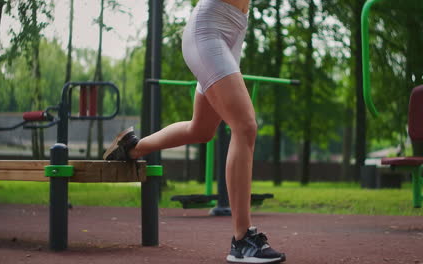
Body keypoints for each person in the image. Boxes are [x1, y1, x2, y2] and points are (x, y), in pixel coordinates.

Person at [103, 0, 286, 263]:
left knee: (201, 129)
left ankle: (132, 147)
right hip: (209, 30)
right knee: (244, 126)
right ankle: (242, 239)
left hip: (233, 31)